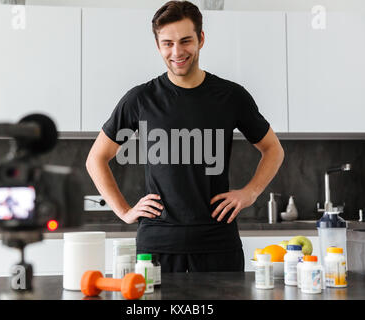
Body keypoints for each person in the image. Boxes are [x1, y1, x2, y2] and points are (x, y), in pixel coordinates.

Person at [86, 0, 284, 272]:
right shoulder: (140, 99)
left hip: (218, 242)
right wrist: (124, 211)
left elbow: (273, 149)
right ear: (158, 46)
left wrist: (250, 193)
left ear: (201, 39)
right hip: (157, 245)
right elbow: (96, 158)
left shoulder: (231, 96)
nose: (177, 51)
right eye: (167, 43)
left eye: (185, 41)